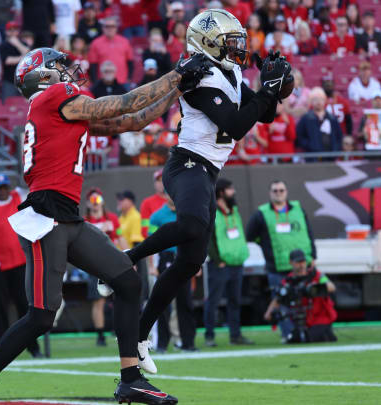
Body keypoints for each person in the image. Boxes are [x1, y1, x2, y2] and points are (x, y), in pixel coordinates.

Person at [0, 44, 211, 405]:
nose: (69, 71)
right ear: (43, 75)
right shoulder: (55, 97)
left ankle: (131, 379)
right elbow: (123, 104)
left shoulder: (58, 108)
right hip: (46, 219)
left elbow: (133, 121)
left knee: (126, 279)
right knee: (41, 317)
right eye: (60, 66)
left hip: (68, 217)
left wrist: (178, 89)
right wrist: (176, 74)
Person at [121, 9, 288, 376]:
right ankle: (127, 257)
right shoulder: (200, 74)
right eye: (231, 41)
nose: (238, 48)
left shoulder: (230, 71)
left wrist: (275, 90)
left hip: (208, 173)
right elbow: (235, 123)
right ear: (209, 42)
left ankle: (138, 334)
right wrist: (265, 93)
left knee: (190, 263)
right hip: (186, 164)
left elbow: (265, 115)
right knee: (193, 225)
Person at [0, 173, 42, 356]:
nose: (4, 191)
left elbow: (28, 184)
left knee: (25, 305)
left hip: (20, 262)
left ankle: (32, 346)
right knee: (1, 308)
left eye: (6, 187)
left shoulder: (17, 198)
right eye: (0, 188)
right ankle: (2, 348)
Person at [246, 180, 317, 340]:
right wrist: (266, 245)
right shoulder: (261, 213)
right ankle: (289, 334)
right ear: (270, 193)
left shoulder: (298, 209)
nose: (278, 193)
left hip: (301, 266)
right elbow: (250, 235)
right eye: (275, 190)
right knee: (282, 301)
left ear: (286, 192)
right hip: (277, 266)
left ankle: (307, 333)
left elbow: (309, 233)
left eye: (281, 190)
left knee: (305, 301)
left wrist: (313, 255)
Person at [147, 193, 197, 352]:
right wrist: (151, 266)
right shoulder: (157, 217)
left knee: (186, 302)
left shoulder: (188, 213)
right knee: (162, 302)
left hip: (185, 258)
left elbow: (196, 239)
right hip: (166, 259)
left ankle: (188, 343)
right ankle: (162, 343)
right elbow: (150, 242)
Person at [204, 178, 251, 347]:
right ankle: (209, 336)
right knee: (214, 301)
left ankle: (235, 335)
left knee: (235, 301)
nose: (234, 192)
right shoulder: (212, 210)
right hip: (220, 264)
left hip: (236, 262)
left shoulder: (234, 210)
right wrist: (218, 259)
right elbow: (208, 239)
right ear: (222, 192)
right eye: (231, 189)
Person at [263, 249, 337, 343]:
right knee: (293, 340)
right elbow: (278, 298)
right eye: (298, 262)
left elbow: (331, 287)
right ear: (291, 263)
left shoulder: (315, 275)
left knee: (310, 338)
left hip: (319, 318)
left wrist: (314, 288)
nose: (301, 265)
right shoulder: (288, 281)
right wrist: (268, 313)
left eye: (303, 262)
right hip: (302, 320)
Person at [84, 188, 126, 346]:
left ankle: (120, 330)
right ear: (88, 203)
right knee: (98, 301)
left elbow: (120, 238)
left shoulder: (113, 219)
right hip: (95, 265)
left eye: (98, 200)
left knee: (120, 298)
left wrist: (130, 258)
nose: (95, 204)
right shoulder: (85, 221)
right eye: (92, 200)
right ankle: (100, 335)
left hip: (114, 263)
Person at [296, 87, 343, 155]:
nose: (318, 102)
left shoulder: (332, 118)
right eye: (315, 99)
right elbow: (300, 136)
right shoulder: (306, 118)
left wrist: (335, 148)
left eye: (321, 99)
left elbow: (339, 136)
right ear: (311, 102)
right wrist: (310, 146)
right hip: (312, 157)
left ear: (325, 101)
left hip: (330, 156)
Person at [87, 16, 134, 85]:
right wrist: (95, 82)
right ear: (103, 28)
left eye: (112, 26)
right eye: (107, 26)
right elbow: (93, 65)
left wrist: (129, 78)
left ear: (116, 28)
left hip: (122, 82)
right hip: (103, 82)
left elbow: (130, 62)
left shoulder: (125, 41)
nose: (110, 29)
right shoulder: (95, 43)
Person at [0, 21, 30, 100]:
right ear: (6, 32)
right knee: (8, 103)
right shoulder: (3, 45)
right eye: (10, 30)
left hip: (23, 81)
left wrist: (17, 44)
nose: (13, 32)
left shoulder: (23, 43)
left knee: (24, 105)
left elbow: (29, 56)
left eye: (15, 30)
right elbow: (7, 61)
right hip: (9, 81)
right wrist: (22, 57)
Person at [140, 169, 167, 239]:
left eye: (164, 179)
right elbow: (145, 230)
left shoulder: (177, 200)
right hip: (157, 245)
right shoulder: (147, 203)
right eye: (158, 180)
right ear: (154, 183)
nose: (161, 183)